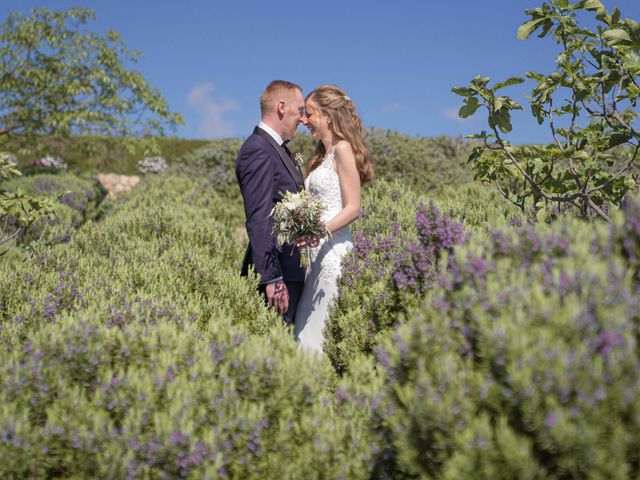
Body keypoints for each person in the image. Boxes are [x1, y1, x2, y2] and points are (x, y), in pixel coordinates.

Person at [294, 85, 374, 353]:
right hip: (314, 256)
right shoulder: (320, 158)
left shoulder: (343, 150)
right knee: (305, 332)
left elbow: (353, 207)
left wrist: (319, 232)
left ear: (328, 115)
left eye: (309, 113)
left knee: (318, 332)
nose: (304, 120)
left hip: (333, 253)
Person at [235, 80, 307, 325]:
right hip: (279, 277)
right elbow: (259, 217)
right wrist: (272, 278)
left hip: (291, 271)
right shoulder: (258, 149)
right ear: (282, 107)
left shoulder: (278, 149)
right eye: (300, 110)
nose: (303, 118)